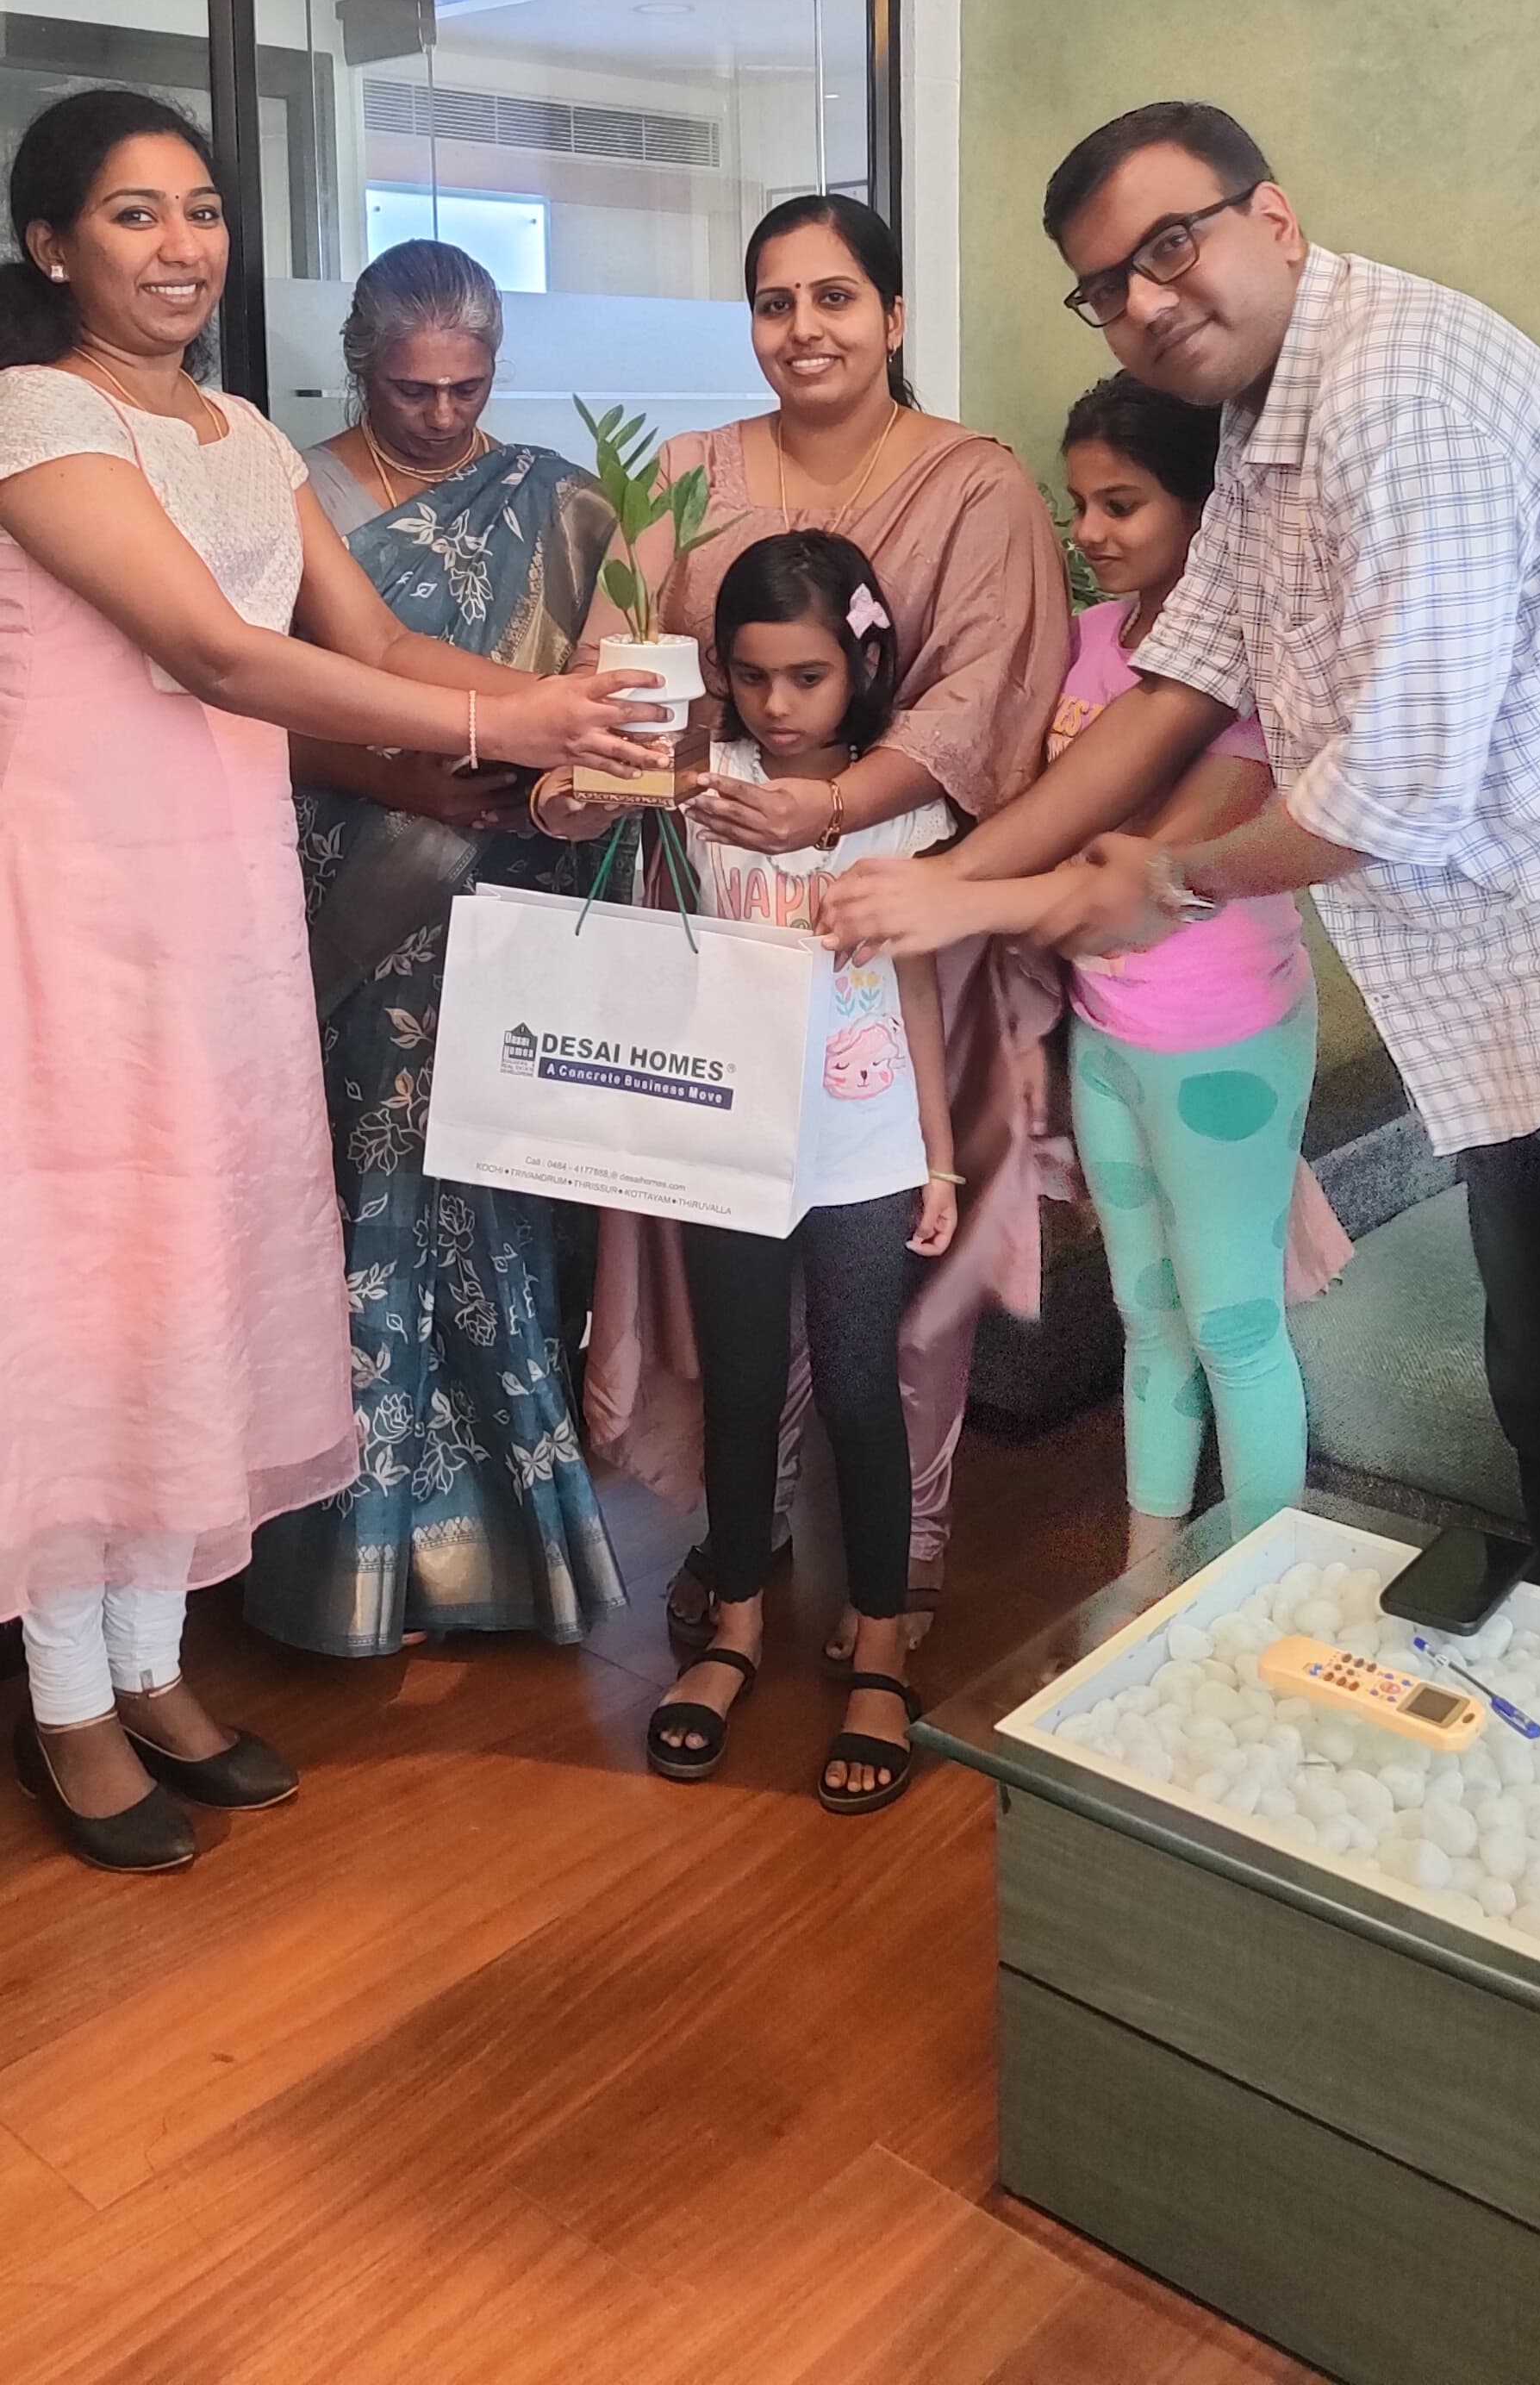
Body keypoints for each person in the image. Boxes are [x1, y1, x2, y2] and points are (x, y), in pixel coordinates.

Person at [0, 90, 665, 1874]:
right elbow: (218, 653)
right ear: (51, 243)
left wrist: (581, 700)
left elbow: (365, 637)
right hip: (74, 918)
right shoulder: (33, 415)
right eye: (133, 213)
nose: (182, 246)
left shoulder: (235, 432)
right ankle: (63, 1695)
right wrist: (518, 715)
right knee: (86, 1293)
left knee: (192, 1278)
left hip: (221, 909)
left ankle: (152, 1664)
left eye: (202, 210)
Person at [822, 97, 1540, 1564]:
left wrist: (1167, 875)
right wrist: (951, 885)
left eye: (1169, 248)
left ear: (1271, 217)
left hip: (1514, 960)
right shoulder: (1265, 414)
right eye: (1105, 287)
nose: (1145, 304)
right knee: (1529, 1370)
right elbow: (1183, 680)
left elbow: (1392, 789)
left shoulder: (1396, 398)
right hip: (1487, 1012)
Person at [541, 192, 1071, 1658]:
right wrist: (604, 775)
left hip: (891, 913)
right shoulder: (687, 478)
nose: (804, 329)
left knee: (882, 1285)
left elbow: (986, 702)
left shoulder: (976, 485)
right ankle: (745, 1546)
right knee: (727, 1267)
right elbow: (621, 675)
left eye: (836, 298)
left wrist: (834, 811)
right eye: (775, 302)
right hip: (717, 909)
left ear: (893, 316)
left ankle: (898, 1569)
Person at [244, 241, 627, 1658]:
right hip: (352, 903)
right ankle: (341, 1563)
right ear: (362, 366)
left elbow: (601, 702)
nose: (447, 416)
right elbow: (246, 705)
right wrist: (411, 781)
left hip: (511, 909)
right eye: (415, 390)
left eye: (471, 387)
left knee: (498, 1211)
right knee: (358, 1208)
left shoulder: (564, 503)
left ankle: (505, 1554)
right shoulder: (287, 496)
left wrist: (567, 767)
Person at [646, 533, 957, 1812]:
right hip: (728, 1140)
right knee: (740, 1385)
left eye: (809, 676)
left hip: (867, 1148)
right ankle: (734, 1623)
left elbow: (919, 987)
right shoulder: (703, 785)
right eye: (754, 676)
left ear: (861, 666)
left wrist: (938, 1157)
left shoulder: (902, 805)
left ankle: (881, 1641)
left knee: (858, 1387)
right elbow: (585, 819)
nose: (778, 705)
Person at [1054, 371, 1331, 1559]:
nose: (1090, 532)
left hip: (1226, 1042)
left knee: (1234, 1324)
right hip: (1102, 1036)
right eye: (1080, 504)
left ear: (1204, 508)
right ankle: (1147, 1579)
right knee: (1146, 1311)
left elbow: (1143, 868)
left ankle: (1264, 1592)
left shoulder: (1256, 672)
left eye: (1120, 505)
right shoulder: (1084, 645)